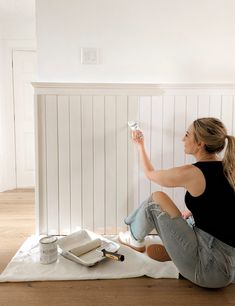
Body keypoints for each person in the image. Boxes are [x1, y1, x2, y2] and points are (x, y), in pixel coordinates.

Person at [118, 117, 235, 288]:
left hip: (209, 271)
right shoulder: (230, 167)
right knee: (189, 218)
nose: (183, 139)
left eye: (187, 135)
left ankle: (134, 239)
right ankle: (176, 252)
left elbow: (151, 174)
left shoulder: (193, 172)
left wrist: (140, 145)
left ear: (200, 143)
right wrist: (197, 213)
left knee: (156, 200)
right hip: (229, 263)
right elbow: (222, 205)